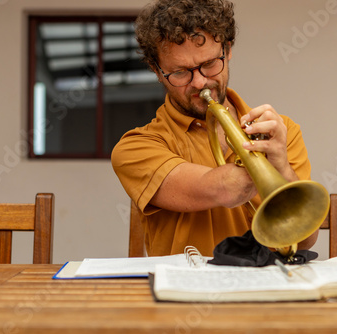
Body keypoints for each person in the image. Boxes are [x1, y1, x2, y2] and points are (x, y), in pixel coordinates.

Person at [111, 0, 318, 256]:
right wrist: (265, 165)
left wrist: (282, 167)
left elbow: (306, 240)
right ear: (156, 70)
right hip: (186, 291)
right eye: (180, 72)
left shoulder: (280, 130)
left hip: (267, 287)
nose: (200, 82)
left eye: (209, 64)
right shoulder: (136, 147)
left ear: (227, 49)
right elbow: (225, 188)